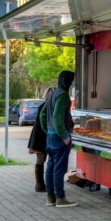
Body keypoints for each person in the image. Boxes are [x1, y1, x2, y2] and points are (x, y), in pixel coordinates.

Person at [40, 70, 77, 208]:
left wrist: (47, 130)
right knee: (59, 169)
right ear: (67, 81)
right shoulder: (63, 96)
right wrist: (64, 135)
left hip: (50, 136)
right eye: (72, 80)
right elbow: (57, 118)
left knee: (51, 166)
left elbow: (43, 114)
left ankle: (50, 197)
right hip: (59, 137)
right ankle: (60, 197)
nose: (73, 83)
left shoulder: (54, 93)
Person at [27, 87, 54, 192]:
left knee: (40, 160)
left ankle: (39, 184)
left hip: (39, 136)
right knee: (48, 160)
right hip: (46, 135)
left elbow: (37, 125)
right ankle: (45, 184)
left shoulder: (42, 106)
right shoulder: (51, 106)